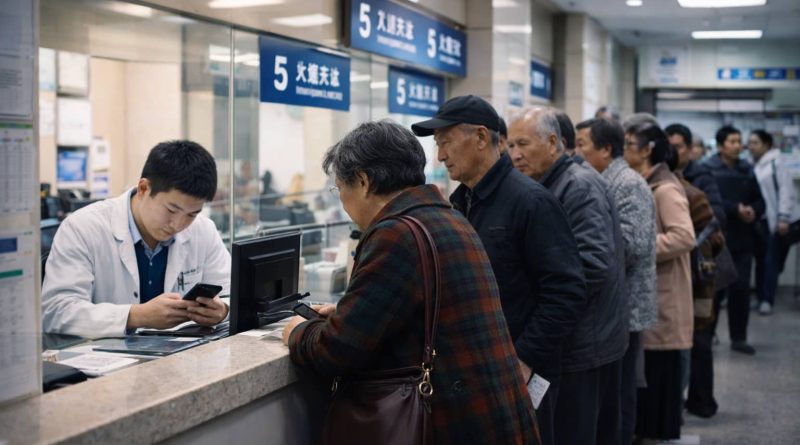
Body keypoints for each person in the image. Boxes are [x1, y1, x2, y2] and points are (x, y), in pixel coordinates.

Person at [282, 120, 540, 444]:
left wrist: (297, 332)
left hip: (453, 421)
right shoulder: (448, 217)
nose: (343, 204)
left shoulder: (395, 233)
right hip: (495, 415)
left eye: (340, 189)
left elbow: (336, 350)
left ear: (363, 181)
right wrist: (349, 312)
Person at [411, 95, 585, 445]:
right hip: (476, 371)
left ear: (479, 137)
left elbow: (567, 291)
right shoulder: (462, 201)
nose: (441, 155)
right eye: (437, 145)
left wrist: (524, 358)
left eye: (445, 142)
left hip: (519, 373)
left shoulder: (530, 201)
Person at [508, 107, 628, 445]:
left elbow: (593, 265)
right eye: (510, 146)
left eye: (523, 144)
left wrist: (545, 302)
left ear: (552, 143)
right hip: (581, 336)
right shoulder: (551, 183)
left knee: (577, 430)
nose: (515, 154)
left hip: (585, 340)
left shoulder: (577, 186)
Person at [42, 140, 231, 339]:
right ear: (143, 189)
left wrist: (222, 310)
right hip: (105, 364)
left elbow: (232, 293)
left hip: (181, 357)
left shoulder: (203, 230)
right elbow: (57, 311)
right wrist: (136, 315)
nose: (177, 224)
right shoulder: (82, 227)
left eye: (191, 214)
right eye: (171, 210)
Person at [575, 117, 658, 445]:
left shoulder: (627, 183)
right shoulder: (602, 179)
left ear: (606, 149)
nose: (577, 152)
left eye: (582, 145)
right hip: (615, 305)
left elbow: (631, 246)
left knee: (621, 390)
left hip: (628, 306)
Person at [624, 123, 695, 442]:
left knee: (660, 376)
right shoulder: (643, 183)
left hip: (664, 294)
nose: (623, 150)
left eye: (628, 144)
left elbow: (684, 236)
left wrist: (642, 246)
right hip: (649, 292)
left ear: (647, 149)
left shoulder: (665, 188)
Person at [664, 123, 727, 419]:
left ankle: (701, 402)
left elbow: (716, 222)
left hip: (700, 275)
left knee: (699, 339)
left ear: (689, 149)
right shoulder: (664, 179)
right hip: (679, 274)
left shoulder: (701, 178)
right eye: (669, 146)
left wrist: (685, 236)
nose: (673, 152)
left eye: (678, 146)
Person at [705, 125, 765, 355]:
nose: (738, 145)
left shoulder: (747, 169)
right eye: (732, 141)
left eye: (739, 141)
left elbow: (760, 201)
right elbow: (709, 202)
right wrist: (734, 209)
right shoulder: (708, 169)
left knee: (741, 290)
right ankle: (707, 335)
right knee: (715, 290)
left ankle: (739, 337)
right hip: (717, 239)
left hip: (743, 239)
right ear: (720, 146)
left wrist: (753, 210)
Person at [750, 129, 795, 316]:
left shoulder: (777, 162)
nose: (751, 147)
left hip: (780, 220)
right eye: (750, 143)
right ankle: (761, 297)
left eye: (755, 143)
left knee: (771, 261)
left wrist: (783, 217)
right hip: (764, 221)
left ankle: (767, 300)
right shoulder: (757, 165)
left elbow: (786, 190)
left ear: (767, 145)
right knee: (763, 260)